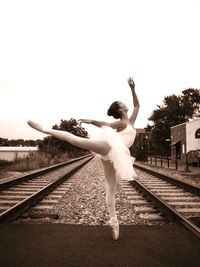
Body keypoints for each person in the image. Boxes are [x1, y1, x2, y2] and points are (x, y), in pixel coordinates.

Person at [27, 77, 139, 240]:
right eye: (122, 103)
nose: (125, 104)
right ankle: (45, 129)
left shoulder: (131, 121)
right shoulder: (121, 123)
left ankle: (114, 222)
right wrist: (90, 121)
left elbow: (137, 105)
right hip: (110, 148)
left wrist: (132, 88)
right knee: (78, 140)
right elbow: (104, 124)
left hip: (116, 154)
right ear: (121, 109)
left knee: (111, 187)